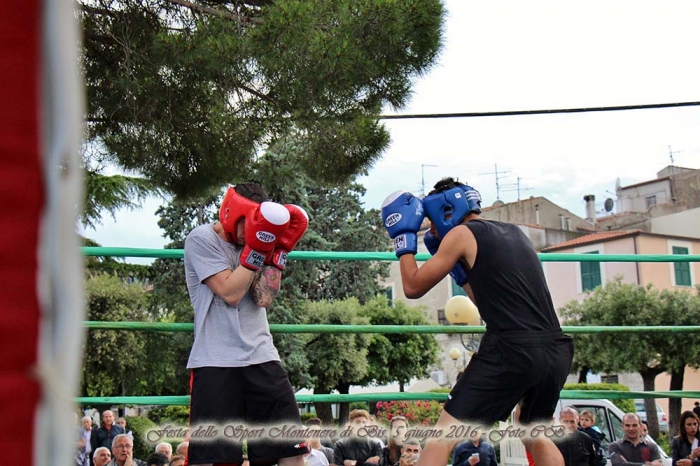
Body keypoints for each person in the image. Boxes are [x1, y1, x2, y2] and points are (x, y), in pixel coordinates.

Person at [380, 178, 574, 466]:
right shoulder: (516, 234)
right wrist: (460, 273)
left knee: (442, 437)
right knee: (532, 431)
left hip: (512, 348)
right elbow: (486, 302)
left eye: (432, 222)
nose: (432, 231)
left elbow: (412, 287)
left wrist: (404, 239)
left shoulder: (460, 234)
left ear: (447, 210)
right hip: (555, 349)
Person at [184, 182, 310, 466]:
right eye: (249, 226)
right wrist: (257, 249)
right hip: (216, 361)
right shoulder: (201, 239)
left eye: (259, 228)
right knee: (215, 459)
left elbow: (263, 298)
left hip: (262, 357)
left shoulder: (262, 240)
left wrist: (278, 252)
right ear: (233, 214)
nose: (251, 235)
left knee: (288, 451)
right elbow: (230, 292)